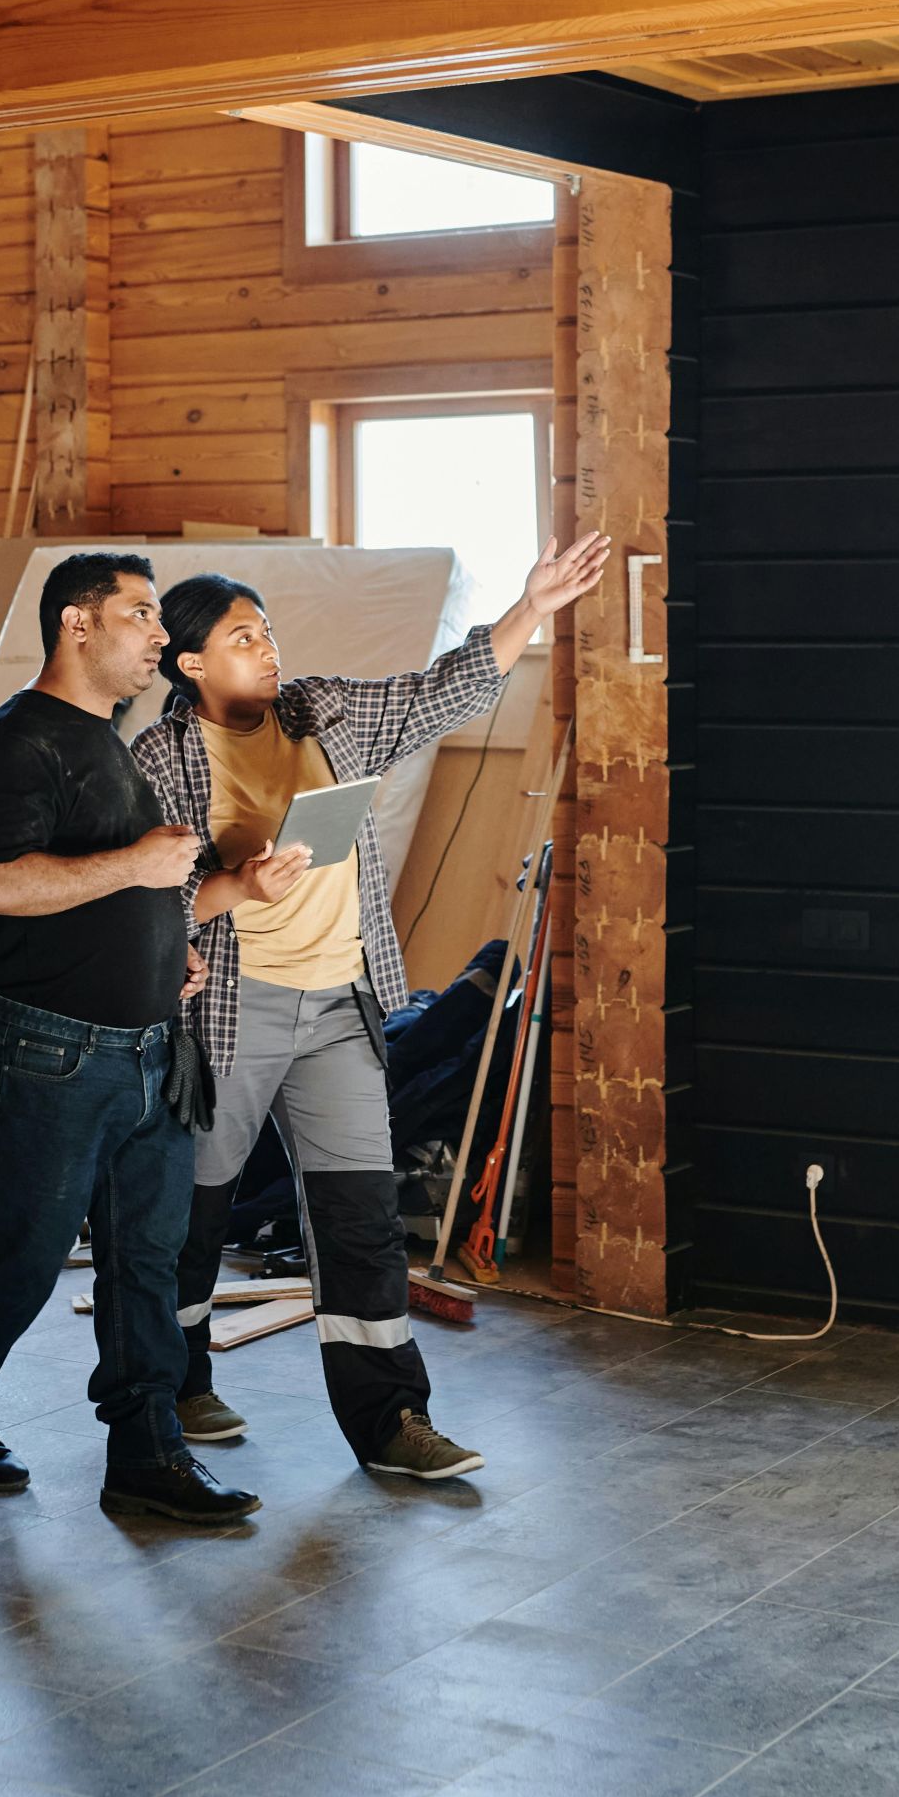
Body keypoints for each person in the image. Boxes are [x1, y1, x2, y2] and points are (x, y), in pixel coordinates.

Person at [132, 532, 610, 1482]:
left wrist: (532, 607)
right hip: (232, 1010)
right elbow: (143, 900)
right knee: (195, 1211)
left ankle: (393, 1420)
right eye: (240, 637)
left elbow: (446, 690)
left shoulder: (326, 712)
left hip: (341, 1005)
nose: (267, 649)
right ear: (189, 664)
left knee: (358, 1217)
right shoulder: (160, 757)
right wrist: (239, 883)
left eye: (267, 631)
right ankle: (174, 1383)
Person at [0, 552, 258, 1524]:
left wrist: (170, 955)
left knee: (148, 1260)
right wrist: (138, 866)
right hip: (53, 1054)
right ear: (75, 622)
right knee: (18, 1257)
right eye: (140, 614)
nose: (159, 634)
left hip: (151, 1049)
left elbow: (125, 891)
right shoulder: (23, 742)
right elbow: (3, 881)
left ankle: (147, 1454)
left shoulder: (112, 742)